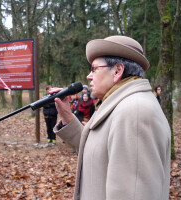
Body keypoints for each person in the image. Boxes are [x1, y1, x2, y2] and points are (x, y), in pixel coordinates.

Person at [53, 35, 170, 199]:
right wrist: (66, 114)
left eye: (94, 69)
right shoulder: (119, 105)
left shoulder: (134, 112)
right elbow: (100, 152)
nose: (89, 76)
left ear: (117, 71)